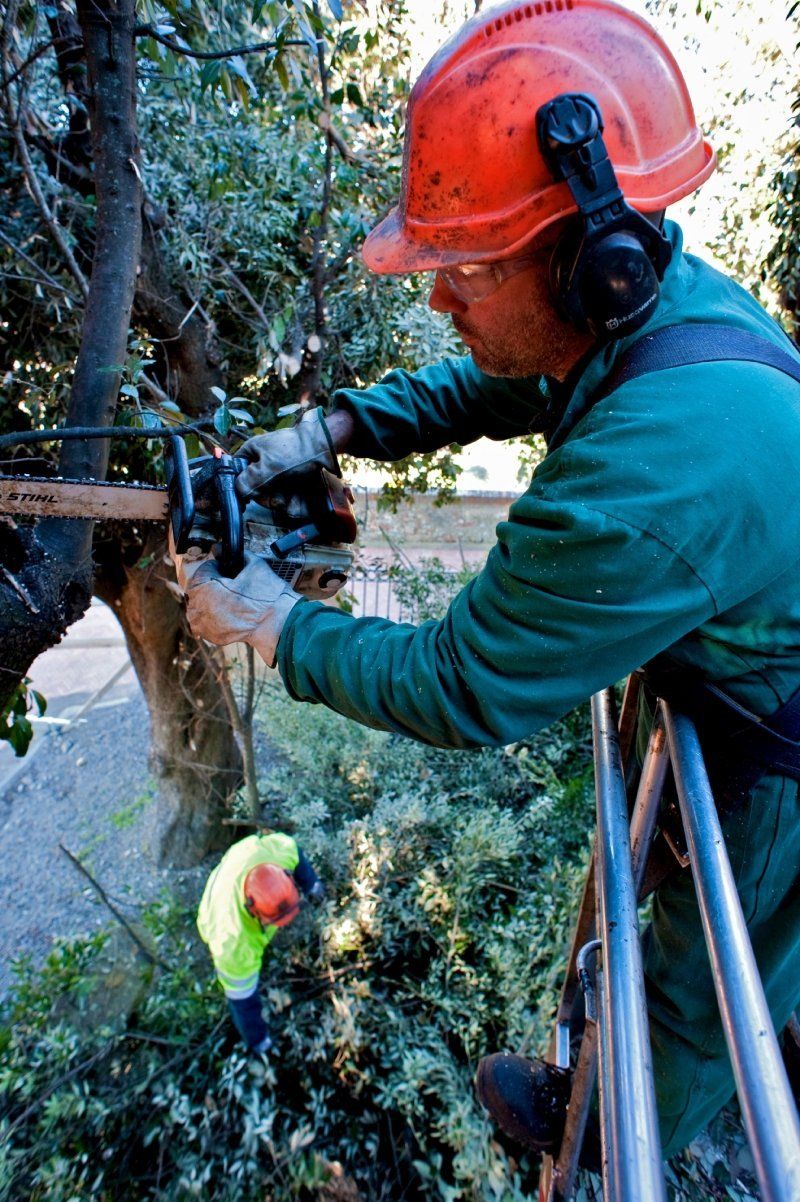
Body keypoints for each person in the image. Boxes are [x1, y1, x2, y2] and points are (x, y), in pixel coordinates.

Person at [180, 0, 800, 1164]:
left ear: (585, 262)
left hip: (782, 749)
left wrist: (272, 621)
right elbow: (491, 383)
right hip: (747, 658)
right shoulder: (642, 315)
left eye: (462, 267)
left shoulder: (644, 474)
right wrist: (333, 428)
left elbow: (463, 682)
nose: (436, 297)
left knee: (698, 982)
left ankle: (620, 1140)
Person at [197, 831, 324, 1053]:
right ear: (251, 909)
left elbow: (294, 850)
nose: (284, 925)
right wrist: (259, 1040)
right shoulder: (233, 942)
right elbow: (242, 1001)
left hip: (240, 859)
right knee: (244, 990)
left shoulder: (276, 854)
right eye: (277, 921)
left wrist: (311, 884)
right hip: (216, 906)